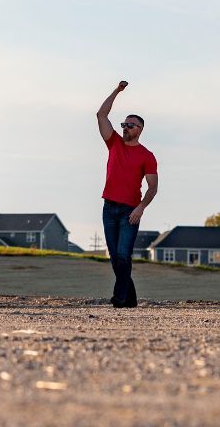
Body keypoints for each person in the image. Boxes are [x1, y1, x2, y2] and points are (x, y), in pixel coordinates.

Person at [96, 81, 158, 308]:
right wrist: (117, 91)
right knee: (115, 258)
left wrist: (141, 208)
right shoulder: (113, 143)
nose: (125, 127)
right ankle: (130, 298)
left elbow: (152, 187)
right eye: (124, 124)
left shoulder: (147, 156)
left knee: (123, 256)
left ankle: (119, 298)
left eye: (130, 125)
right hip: (109, 208)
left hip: (130, 212)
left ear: (140, 130)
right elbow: (101, 114)